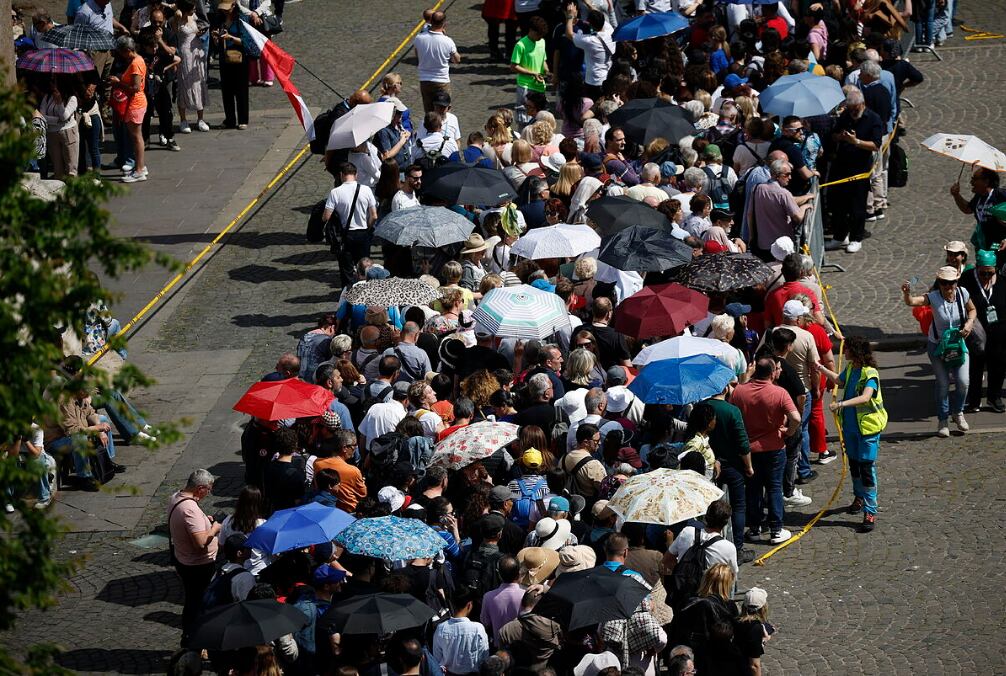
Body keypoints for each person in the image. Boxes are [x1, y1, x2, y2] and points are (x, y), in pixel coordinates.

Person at [817, 337, 888, 532]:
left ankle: (870, 510)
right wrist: (821, 368)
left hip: (867, 429)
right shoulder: (850, 369)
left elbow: (866, 396)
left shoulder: (870, 373)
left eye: (846, 349)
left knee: (866, 469)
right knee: (855, 466)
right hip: (850, 427)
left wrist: (840, 404)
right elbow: (839, 380)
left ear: (855, 351)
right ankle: (859, 497)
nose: (843, 351)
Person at [730, 357, 800, 545]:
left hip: (748, 450)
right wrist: (788, 432)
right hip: (774, 448)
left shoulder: (739, 392)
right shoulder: (779, 393)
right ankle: (776, 530)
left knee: (753, 489)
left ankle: (754, 529)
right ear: (771, 373)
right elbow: (796, 418)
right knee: (774, 487)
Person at [902, 267, 977, 437]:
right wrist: (907, 293)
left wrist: (970, 322)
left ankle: (957, 413)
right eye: (944, 282)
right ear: (939, 283)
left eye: (951, 283)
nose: (947, 286)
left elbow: (972, 310)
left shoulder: (963, 293)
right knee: (943, 384)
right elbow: (912, 302)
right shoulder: (934, 297)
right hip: (937, 347)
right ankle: (943, 419)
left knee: (963, 381)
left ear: (956, 282)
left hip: (958, 345)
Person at [824, 88, 883, 254]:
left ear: (862, 104)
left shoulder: (873, 119)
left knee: (857, 206)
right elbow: (834, 135)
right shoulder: (845, 116)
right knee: (838, 204)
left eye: (855, 109)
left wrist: (855, 141)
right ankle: (840, 236)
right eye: (850, 109)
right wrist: (840, 137)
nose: (852, 112)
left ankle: (857, 237)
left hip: (860, 168)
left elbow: (876, 145)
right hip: (841, 166)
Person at [168, 469, 221, 646]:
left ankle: (192, 637)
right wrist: (214, 528)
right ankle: (195, 640)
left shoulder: (177, 496)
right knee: (199, 603)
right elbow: (200, 542)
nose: (209, 493)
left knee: (193, 600)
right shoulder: (189, 508)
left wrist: (204, 520)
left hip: (184, 559)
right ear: (200, 488)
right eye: (208, 489)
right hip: (198, 565)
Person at [960, 249, 1006, 413]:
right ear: (977, 267)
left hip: (999, 333)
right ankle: (974, 400)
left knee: (998, 366)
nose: (986, 277)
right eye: (983, 273)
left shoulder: (1002, 281)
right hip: (976, 333)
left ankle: (994, 397)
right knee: (975, 367)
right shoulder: (967, 280)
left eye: (990, 273)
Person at [323, 162, 379, 289]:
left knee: (347, 270)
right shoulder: (366, 190)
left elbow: (326, 217)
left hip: (345, 235)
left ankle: (348, 297)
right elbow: (374, 216)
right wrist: (368, 227)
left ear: (341, 175)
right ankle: (365, 294)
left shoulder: (335, 192)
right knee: (365, 268)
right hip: (363, 233)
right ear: (356, 175)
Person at [748, 160, 813, 260]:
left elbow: (750, 215)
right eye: (787, 174)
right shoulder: (783, 193)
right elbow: (798, 217)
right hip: (782, 248)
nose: (790, 178)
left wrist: (752, 237)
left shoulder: (757, 188)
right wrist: (804, 207)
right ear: (777, 175)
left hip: (763, 245)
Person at [111, 35, 149, 183]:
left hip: (135, 103)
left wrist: (118, 83)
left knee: (136, 137)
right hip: (137, 102)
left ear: (127, 50)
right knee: (136, 137)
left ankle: (139, 170)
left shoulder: (135, 63)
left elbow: (135, 87)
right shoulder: (137, 60)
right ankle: (140, 166)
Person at [170, 0, 209, 133]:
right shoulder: (176, 19)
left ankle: (201, 119)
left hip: (198, 52)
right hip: (185, 54)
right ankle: (183, 119)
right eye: (192, 9)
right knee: (185, 85)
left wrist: (201, 32)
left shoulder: (194, 17)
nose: (194, 11)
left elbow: (198, 28)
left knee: (199, 84)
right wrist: (177, 15)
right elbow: (174, 30)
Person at [212, 1, 250, 131]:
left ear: (234, 6)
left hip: (239, 60)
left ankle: (243, 119)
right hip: (225, 59)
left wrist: (230, 37)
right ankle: (230, 119)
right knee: (227, 91)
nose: (224, 11)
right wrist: (216, 38)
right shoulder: (220, 19)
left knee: (241, 91)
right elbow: (217, 41)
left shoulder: (241, 19)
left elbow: (246, 41)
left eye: (227, 9)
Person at [950, 166, 1006, 251]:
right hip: (988, 246)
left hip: (1002, 246)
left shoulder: (1000, 195)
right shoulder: (979, 197)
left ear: (986, 182)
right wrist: (956, 195)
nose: (971, 182)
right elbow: (967, 209)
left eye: (975, 179)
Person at [413, 10, 460, 113]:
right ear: (444, 24)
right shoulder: (448, 41)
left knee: (429, 112)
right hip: (441, 80)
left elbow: (417, 56)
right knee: (444, 112)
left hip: (425, 80)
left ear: (431, 22)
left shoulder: (419, 38)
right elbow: (457, 59)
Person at [566, 8, 615, 101]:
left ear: (590, 24)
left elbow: (569, 34)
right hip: (608, 78)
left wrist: (570, 15)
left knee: (592, 108)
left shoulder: (590, 40)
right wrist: (588, 4)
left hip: (594, 82)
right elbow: (600, 18)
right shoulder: (610, 31)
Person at [312, 429, 367, 511]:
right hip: (349, 512)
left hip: (325, 508)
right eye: (354, 445)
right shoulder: (353, 471)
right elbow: (363, 494)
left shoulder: (317, 463)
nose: (355, 448)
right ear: (344, 448)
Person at [510, 15, 549, 128]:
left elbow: (543, 60)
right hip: (525, 86)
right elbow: (513, 66)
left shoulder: (542, 42)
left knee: (540, 120)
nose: (539, 37)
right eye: (538, 34)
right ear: (531, 30)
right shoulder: (520, 45)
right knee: (524, 121)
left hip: (539, 86)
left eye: (541, 35)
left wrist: (547, 71)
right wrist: (532, 73)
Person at [480, 555, 523, 645]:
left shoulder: (488, 597)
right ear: (519, 574)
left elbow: (485, 623)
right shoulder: (525, 595)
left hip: (498, 646)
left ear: (498, 574)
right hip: (520, 647)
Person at [39, 80, 78, 180]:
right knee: (57, 168)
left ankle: (72, 190)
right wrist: (56, 120)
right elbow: (42, 116)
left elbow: (64, 116)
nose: (52, 85)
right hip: (52, 134)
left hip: (68, 132)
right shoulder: (47, 97)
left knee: (71, 167)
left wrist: (60, 103)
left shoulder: (71, 98)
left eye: (54, 82)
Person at [561, 423, 607, 498]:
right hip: (588, 506)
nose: (600, 443)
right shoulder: (594, 465)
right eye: (597, 441)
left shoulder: (564, 458)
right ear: (586, 442)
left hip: (567, 504)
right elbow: (604, 490)